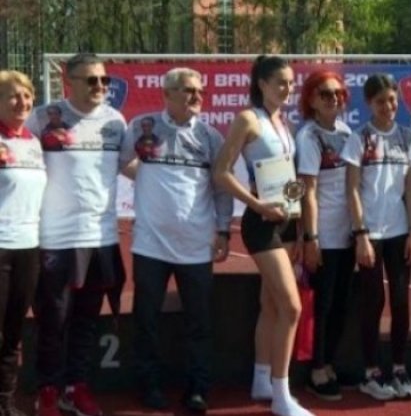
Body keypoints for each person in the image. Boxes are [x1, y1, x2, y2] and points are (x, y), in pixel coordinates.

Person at [123, 68, 233, 413]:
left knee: (199, 323)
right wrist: (147, 178)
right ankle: (149, 385)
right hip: (150, 246)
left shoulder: (210, 136)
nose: (196, 96)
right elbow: (123, 161)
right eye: (188, 90)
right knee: (146, 320)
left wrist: (224, 230)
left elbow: (221, 188)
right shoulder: (142, 126)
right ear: (167, 94)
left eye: (200, 91)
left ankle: (198, 388)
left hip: (196, 246)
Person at [26, 53, 127, 416]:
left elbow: (131, 165)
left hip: (101, 237)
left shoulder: (115, 121)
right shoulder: (42, 117)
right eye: (91, 80)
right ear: (69, 82)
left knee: (87, 319)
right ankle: (47, 389)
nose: (100, 86)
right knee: (53, 319)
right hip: (56, 237)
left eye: (104, 80)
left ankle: (75, 386)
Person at [212, 56, 313, 416]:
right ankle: (282, 395)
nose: (287, 88)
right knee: (291, 306)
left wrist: (299, 227)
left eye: (290, 82)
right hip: (261, 223)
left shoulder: (284, 123)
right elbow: (221, 172)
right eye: (280, 82)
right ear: (262, 84)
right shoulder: (248, 119)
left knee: (271, 305)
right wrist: (256, 205)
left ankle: (261, 378)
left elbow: (288, 178)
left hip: (286, 220)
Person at [340, 74, 411, 400]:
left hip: (400, 231)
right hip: (370, 232)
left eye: (392, 100)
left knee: (401, 303)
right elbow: (352, 190)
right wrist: (361, 234)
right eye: (380, 102)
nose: (388, 107)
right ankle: (371, 372)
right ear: (368, 103)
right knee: (373, 302)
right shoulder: (359, 138)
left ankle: (399, 369)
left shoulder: (407, 136)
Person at [295, 70, 354, 401]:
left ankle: (329, 362)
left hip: (347, 233)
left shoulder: (346, 132)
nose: (333, 99)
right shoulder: (309, 137)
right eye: (325, 94)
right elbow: (309, 191)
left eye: (338, 94)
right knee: (323, 304)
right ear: (311, 100)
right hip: (325, 234)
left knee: (341, 303)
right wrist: (312, 238)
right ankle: (316, 369)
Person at [0, 70, 47, 416]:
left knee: (14, 330)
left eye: (27, 95)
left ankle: (5, 400)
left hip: (28, 247)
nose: (22, 102)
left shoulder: (33, 142)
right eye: (13, 96)